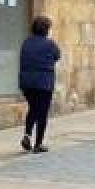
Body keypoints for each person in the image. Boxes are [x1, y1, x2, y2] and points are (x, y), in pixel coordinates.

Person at [19, 15, 60, 153]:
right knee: (42, 113)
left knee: (33, 108)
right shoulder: (50, 44)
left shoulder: (26, 42)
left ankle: (27, 135)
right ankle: (38, 144)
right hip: (44, 84)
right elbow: (57, 56)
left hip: (26, 83)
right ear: (46, 29)